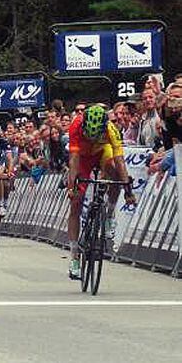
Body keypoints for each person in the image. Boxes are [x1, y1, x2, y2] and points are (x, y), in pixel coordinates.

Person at [66, 105, 136, 280]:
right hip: (82, 158)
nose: (91, 137)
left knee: (114, 171)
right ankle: (74, 256)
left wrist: (128, 190)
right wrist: (71, 186)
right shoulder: (75, 125)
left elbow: (120, 162)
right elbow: (74, 159)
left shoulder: (111, 129)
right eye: (88, 134)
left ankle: (109, 214)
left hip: (102, 153)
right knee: (76, 202)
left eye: (95, 135)